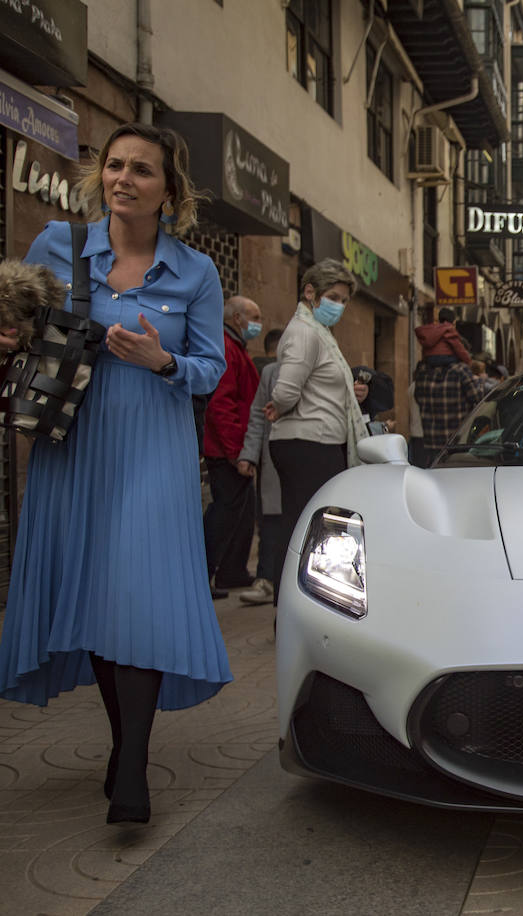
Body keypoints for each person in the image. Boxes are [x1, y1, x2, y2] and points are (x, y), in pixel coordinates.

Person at [0, 122, 232, 824]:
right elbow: (19, 328)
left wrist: (161, 362)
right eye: (115, 165)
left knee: (141, 595)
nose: (123, 178)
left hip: (152, 449)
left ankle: (132, 765)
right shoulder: (58, 246)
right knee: (101, 599)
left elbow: (211, 370)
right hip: (72, 443)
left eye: (142, 170)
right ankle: (123, 742)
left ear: (170, 190)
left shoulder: (195, 271)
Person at [265, 259, 367, 599]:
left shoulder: (318, 332)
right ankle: (290, 605)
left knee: (310, 526)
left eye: (344, 299)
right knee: (302, 527)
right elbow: (285, 389)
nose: (340, 305)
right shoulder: (304, 333)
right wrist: (277, 406)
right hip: (307, 443)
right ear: (311, 292)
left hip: (319, 441)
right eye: (334, 296)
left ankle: (303, 599)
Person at [202, 294, 261, 598]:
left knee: (241, 509)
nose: (258, 324)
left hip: (233, 446)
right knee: (225, 512)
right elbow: (221, 405)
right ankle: (205, 574)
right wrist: (237, 452)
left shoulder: (234, 348)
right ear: (236, 318)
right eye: (254, 316)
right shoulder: (227, 348)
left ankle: (231, 571)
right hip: (226, 449)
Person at [237, 339, 284, 607]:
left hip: (310, 456)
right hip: (274, 456)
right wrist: (249, 453)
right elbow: (257, 414)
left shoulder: (324, 367)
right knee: (270, 521)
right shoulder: (271, 373)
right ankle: (265, 579)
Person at [414, 346, 484, 457]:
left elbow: (418, 398)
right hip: (457, 442)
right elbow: (479, 397)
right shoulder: (460, 370)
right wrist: (479, 381)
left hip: (431, 443)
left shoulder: (423, 372)